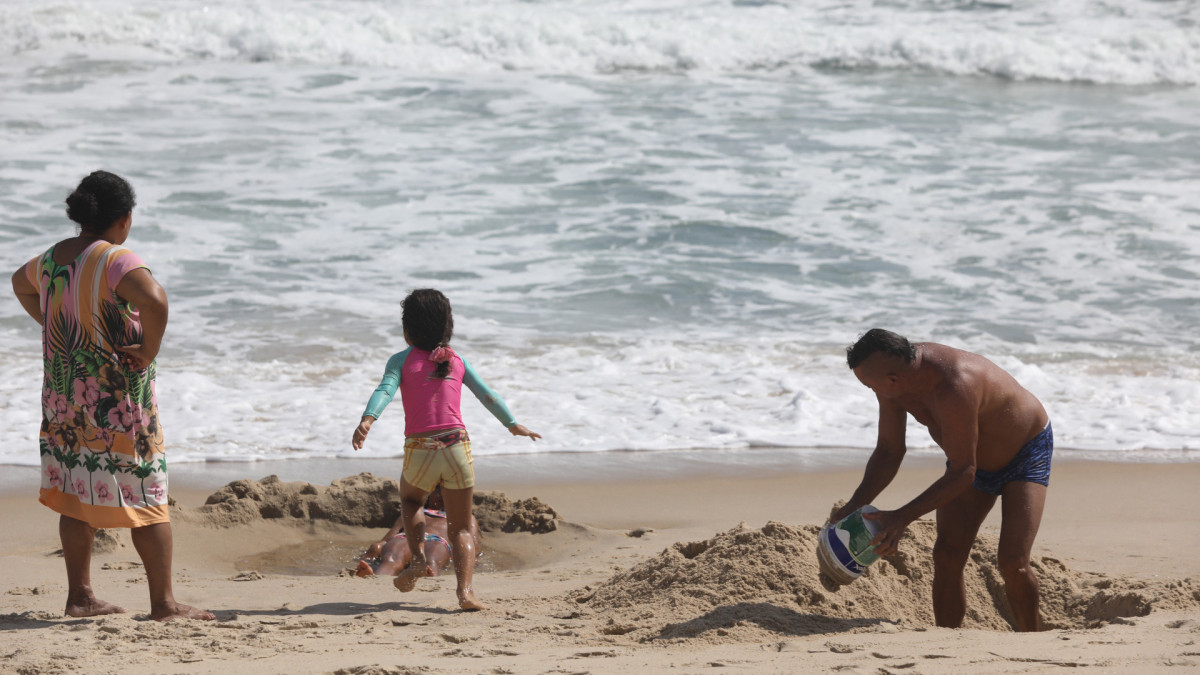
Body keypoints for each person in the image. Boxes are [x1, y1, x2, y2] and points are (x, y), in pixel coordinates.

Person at [10, 171, 214, 621]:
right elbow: (155, 300)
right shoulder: (115, 259)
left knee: (72, 491)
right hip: (118, 404)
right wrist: (149, 348)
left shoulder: (52, 257)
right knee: (148, 496)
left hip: (66, 400)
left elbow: (19, 283)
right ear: (123, 218)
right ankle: (164, 603)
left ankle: (80, 596)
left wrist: (53, 322)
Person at [832, 328, 1051, 632]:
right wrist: (854, 505)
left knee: (1013, 562)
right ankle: (947, 640)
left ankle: (1032, 639)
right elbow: (889, 451)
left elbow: (963, 472)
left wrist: (900, 518)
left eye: (869, 385)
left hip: (1024, 452)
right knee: (947, 554)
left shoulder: (954, 385)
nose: (872, 391)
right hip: (969, 461)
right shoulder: (893, 387)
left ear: (892, 378)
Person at [351, 288, 540, 610]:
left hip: (420, 449)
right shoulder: (458, 361)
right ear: (446, 327)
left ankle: (417, 560)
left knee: (411, 502)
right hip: (457, 447)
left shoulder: (400, 360)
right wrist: (512, 424)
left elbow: (384, 389)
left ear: (408, 328)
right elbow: (488, 395)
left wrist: (368, 419)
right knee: (462, 526)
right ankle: (465, 593)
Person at [354, 486, 480, 580]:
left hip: (438, 541)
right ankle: (375, 579)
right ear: (429, 494)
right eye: (438, 491)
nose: (442, 495)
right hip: (407, 537)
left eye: (448, 492)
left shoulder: (466, 516)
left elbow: (473, 546)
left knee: (431, 560)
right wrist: (377, 548)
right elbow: (390, 536)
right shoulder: (415, 510)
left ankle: (427, 581)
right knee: (392, 558)